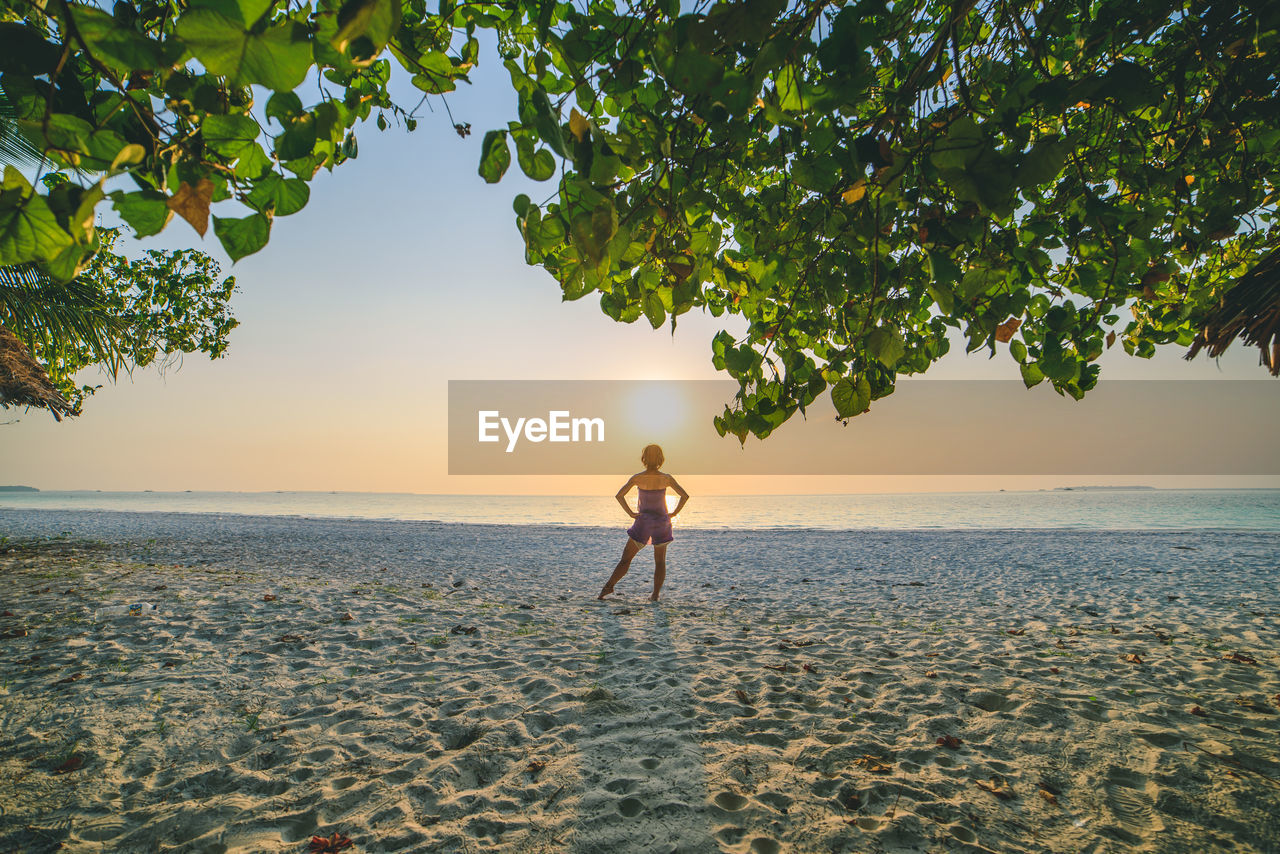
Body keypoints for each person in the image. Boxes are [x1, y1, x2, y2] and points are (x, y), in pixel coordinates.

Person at [598, 444, 689, 602]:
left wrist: (631, 513)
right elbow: (684, 496)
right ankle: (655, 595)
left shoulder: (637, 478)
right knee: (660, 561)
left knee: (626, 559)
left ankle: (608, 587)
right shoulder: (666, 478)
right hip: (662, 522)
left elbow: (619, 496)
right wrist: (674, 513)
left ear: (644, 458)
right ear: (661, 459)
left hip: (643, 522)